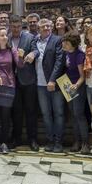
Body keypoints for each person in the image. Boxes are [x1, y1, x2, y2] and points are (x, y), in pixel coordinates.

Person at [0, 26, 24, 154]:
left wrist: (21, 56)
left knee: (6, 116)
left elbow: (19, 64)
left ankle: (4, 142)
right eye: (2, 35)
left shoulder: (11, 49)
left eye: (6, 35)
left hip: (8, 85)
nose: (5, 37)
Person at [8, 15, 39, 151]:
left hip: (28, 79)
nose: (16, 29)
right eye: (13, 27)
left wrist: (33, 54)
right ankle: (17, 138)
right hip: (11, 81)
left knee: (31, 111)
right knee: (16, 112)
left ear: (22, 26)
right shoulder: (5, 38)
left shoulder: (29, 37)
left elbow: (37, 50)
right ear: (10, 26)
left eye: (18, 26)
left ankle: (32, 139)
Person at [34, 19, 66, 153]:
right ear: (38, 29)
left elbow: (60, 61)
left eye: (48, 26)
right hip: (40, 84)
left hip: (55, 84)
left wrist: (52, 80)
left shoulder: (57, 40)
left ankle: (58, 142)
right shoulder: (35, 41)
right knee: (46, 114)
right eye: (43, 26)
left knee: (58, 113)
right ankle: (50, 140)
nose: (46, 28)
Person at [61, 32, 89, 154]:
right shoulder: (67, 53)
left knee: (79, 114)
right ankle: (76, 141)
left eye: (66, 43)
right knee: (72, 114)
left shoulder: (79, 55)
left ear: (73, 44)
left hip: (77, 86)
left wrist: (76, 86)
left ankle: (85, 142)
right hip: (67, 85)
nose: (64, 45)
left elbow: (82, 76)